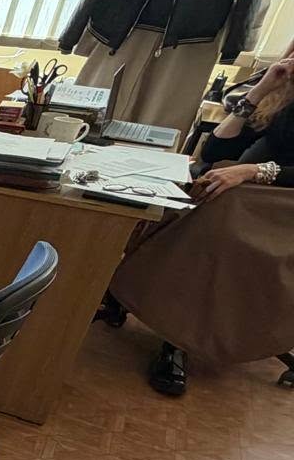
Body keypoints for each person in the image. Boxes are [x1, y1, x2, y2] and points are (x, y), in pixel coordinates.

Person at [114, 54, 294, 396]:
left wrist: (254, 171)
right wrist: (262, 89)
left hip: (283, 208)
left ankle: (177, 340)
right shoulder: (283, 95)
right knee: (194, 193)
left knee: (214, 216)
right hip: (249, 193)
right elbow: (214, 150)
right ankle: (135, 298)